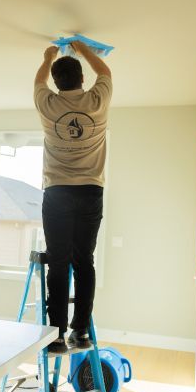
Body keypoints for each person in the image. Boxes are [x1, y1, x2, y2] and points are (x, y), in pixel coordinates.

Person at [34, 40, 112, 353]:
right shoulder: (97, 100)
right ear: (82, 79)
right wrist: (82, 49)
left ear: (57, 83)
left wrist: (48, 55)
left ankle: (55, 336)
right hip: (90, 190)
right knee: (84, 262)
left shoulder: (48, 104)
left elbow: (38, 81)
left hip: (57, 191)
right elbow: (104, 70)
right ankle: (80, 332)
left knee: (59, 263)